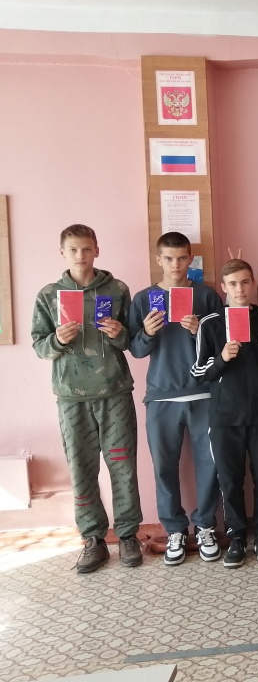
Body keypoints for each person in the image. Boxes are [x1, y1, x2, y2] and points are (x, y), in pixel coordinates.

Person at [31, 224, 143, 574]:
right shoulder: (49, 295)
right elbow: (39, 345)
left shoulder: (117, 289)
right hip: (71, 397)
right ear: (62, 253)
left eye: (86, 248)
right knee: (81, 468)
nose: (80, 255)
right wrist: (58, 340)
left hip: (114, 391)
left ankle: (128, 535)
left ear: (97, 249)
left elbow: (132, 341)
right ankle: (93, 539)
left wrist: (120, 333)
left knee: (123, 466)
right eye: (73, 249)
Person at [128, 231, 224, 566]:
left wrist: (200, 332)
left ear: (190, 259)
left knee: (210, 464)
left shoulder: (206, 295)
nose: (175, 264)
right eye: (169, 258)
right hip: (162, 396)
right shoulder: (144, 299)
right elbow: (136, 350)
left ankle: (206, 526)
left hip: (203, 393)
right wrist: (148, 332)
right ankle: (174, 531)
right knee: (164, 468)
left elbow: (222, 347)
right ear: (159, 260)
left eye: (182, 258)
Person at [191, 259, 258, 568]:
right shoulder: (210, 324)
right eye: (233, 284)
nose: (240, 289)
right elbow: (198, 372)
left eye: (245, 282)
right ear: (223, 287)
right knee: (230, 481)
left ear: (253, 283)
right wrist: (221, 358)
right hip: (224, 418)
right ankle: (236, 537)